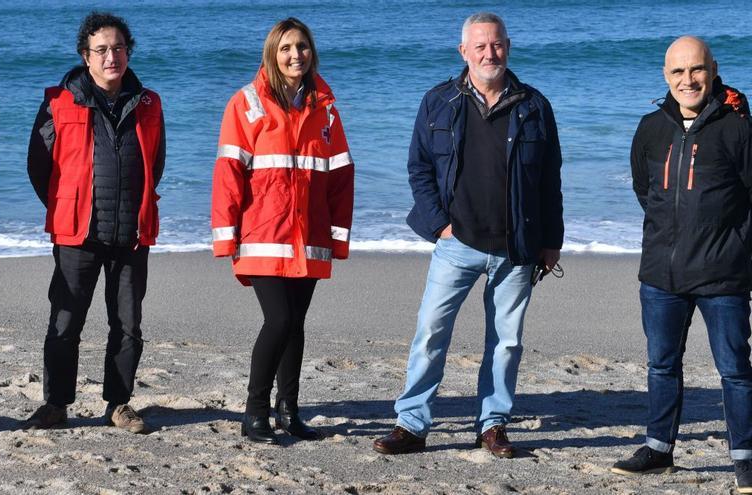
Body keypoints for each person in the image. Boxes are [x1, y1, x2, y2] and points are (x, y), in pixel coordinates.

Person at [373, 12, 563, 457]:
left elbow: (550, 179)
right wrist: (440, 224)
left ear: (508, 47)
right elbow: (419, 168)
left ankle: (492, 425)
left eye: (496, 45)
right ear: (464, 52)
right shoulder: (438, 102)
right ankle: (412, 425)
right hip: (456, 244)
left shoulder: (534, 106)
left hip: (517, 245)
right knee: (431, 332)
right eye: (479, 46)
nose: (488, 53)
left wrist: (551, 240)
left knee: (507, 342)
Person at [610, 36, 752, 492]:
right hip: (660, 276)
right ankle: (658, 449)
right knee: (661, 364)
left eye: (696, 70)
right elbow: (644, 190)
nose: (687, 80)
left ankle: (745, 458)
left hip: (722, 275)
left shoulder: (738, 128)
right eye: (677, 72)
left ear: (712, 71)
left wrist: (733, 245)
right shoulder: (651, 127)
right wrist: (665, 237)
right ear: (665, 76)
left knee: (734, 369)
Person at [211, 17, 354, 444]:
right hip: (263, 233)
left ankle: (289, 411)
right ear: (273, 53)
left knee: (296, 324)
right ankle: (254, 411)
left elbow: (341, 174)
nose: (296, 55)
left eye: (303, 47)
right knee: (278, 320)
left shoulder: (325, 106)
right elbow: (228, 172)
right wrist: (226, 236)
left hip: (309, 236)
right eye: (287, 48)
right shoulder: (247, 103)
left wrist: (338, 236)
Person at [26, 11, 165, 434]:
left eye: (119, 48)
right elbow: (38, 167)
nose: (112, 57)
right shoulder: (58, 100)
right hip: (77, 231)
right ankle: (56, 404)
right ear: (85, 55)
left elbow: (155, 164)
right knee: (65, 322)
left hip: (131, 232)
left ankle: (119, 405)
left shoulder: (148, 103)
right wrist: (66, 205)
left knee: (128, 325)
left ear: (129, 53)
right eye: (102, 49)